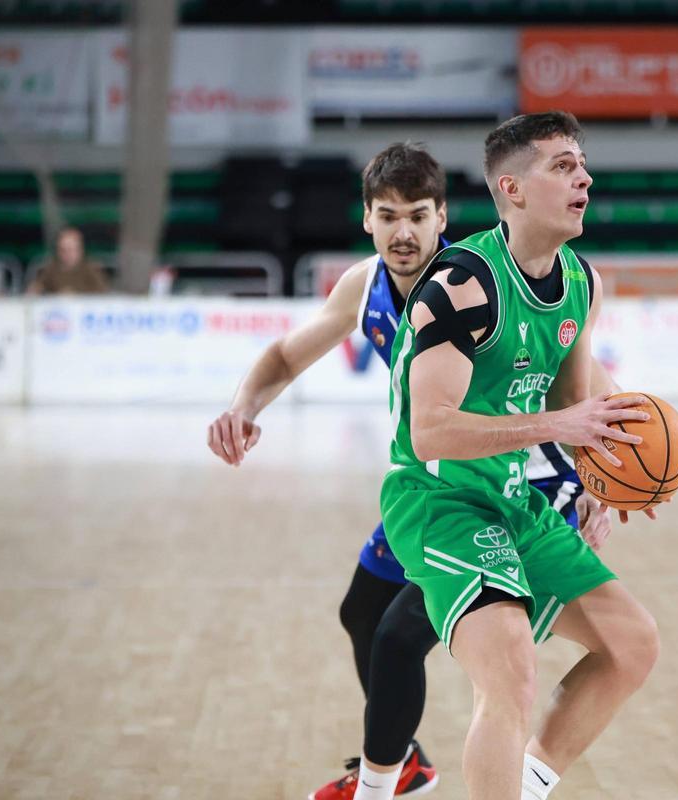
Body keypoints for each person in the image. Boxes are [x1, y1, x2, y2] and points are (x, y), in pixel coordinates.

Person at [205, 143, 613, 800]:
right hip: (442, 485)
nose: (403, 232)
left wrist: (602, 479)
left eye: (418, 216)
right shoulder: (363, 285)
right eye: (389, 216)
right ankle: (409, 764)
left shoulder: (474, 283)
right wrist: (242, 407)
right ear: (367, 219)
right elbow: (285, 354)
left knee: (400, 640)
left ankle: (397, 783)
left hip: (518, 489)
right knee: (362, 613)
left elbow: (580, 383)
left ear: (441, 218)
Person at [378, 111, 662, 800]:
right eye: (563, 165)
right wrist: (564, 423)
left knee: (632, 644)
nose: (584, 177)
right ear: (512, 187)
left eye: (583, 163)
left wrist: (605, 471)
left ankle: (518, 787)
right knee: (509, 670)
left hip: (512, 500)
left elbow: (578, 398)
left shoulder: (580, 282)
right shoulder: (462, 284)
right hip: (438, 502)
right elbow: (432, 431)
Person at [27, 226, 110, 295]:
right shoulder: (52, 268)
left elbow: (103, 294)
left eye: (70, 249)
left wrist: (77, 295)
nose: (67, 254)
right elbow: (38, 287)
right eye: (63, 250)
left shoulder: (92, 269)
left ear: (80, 250)